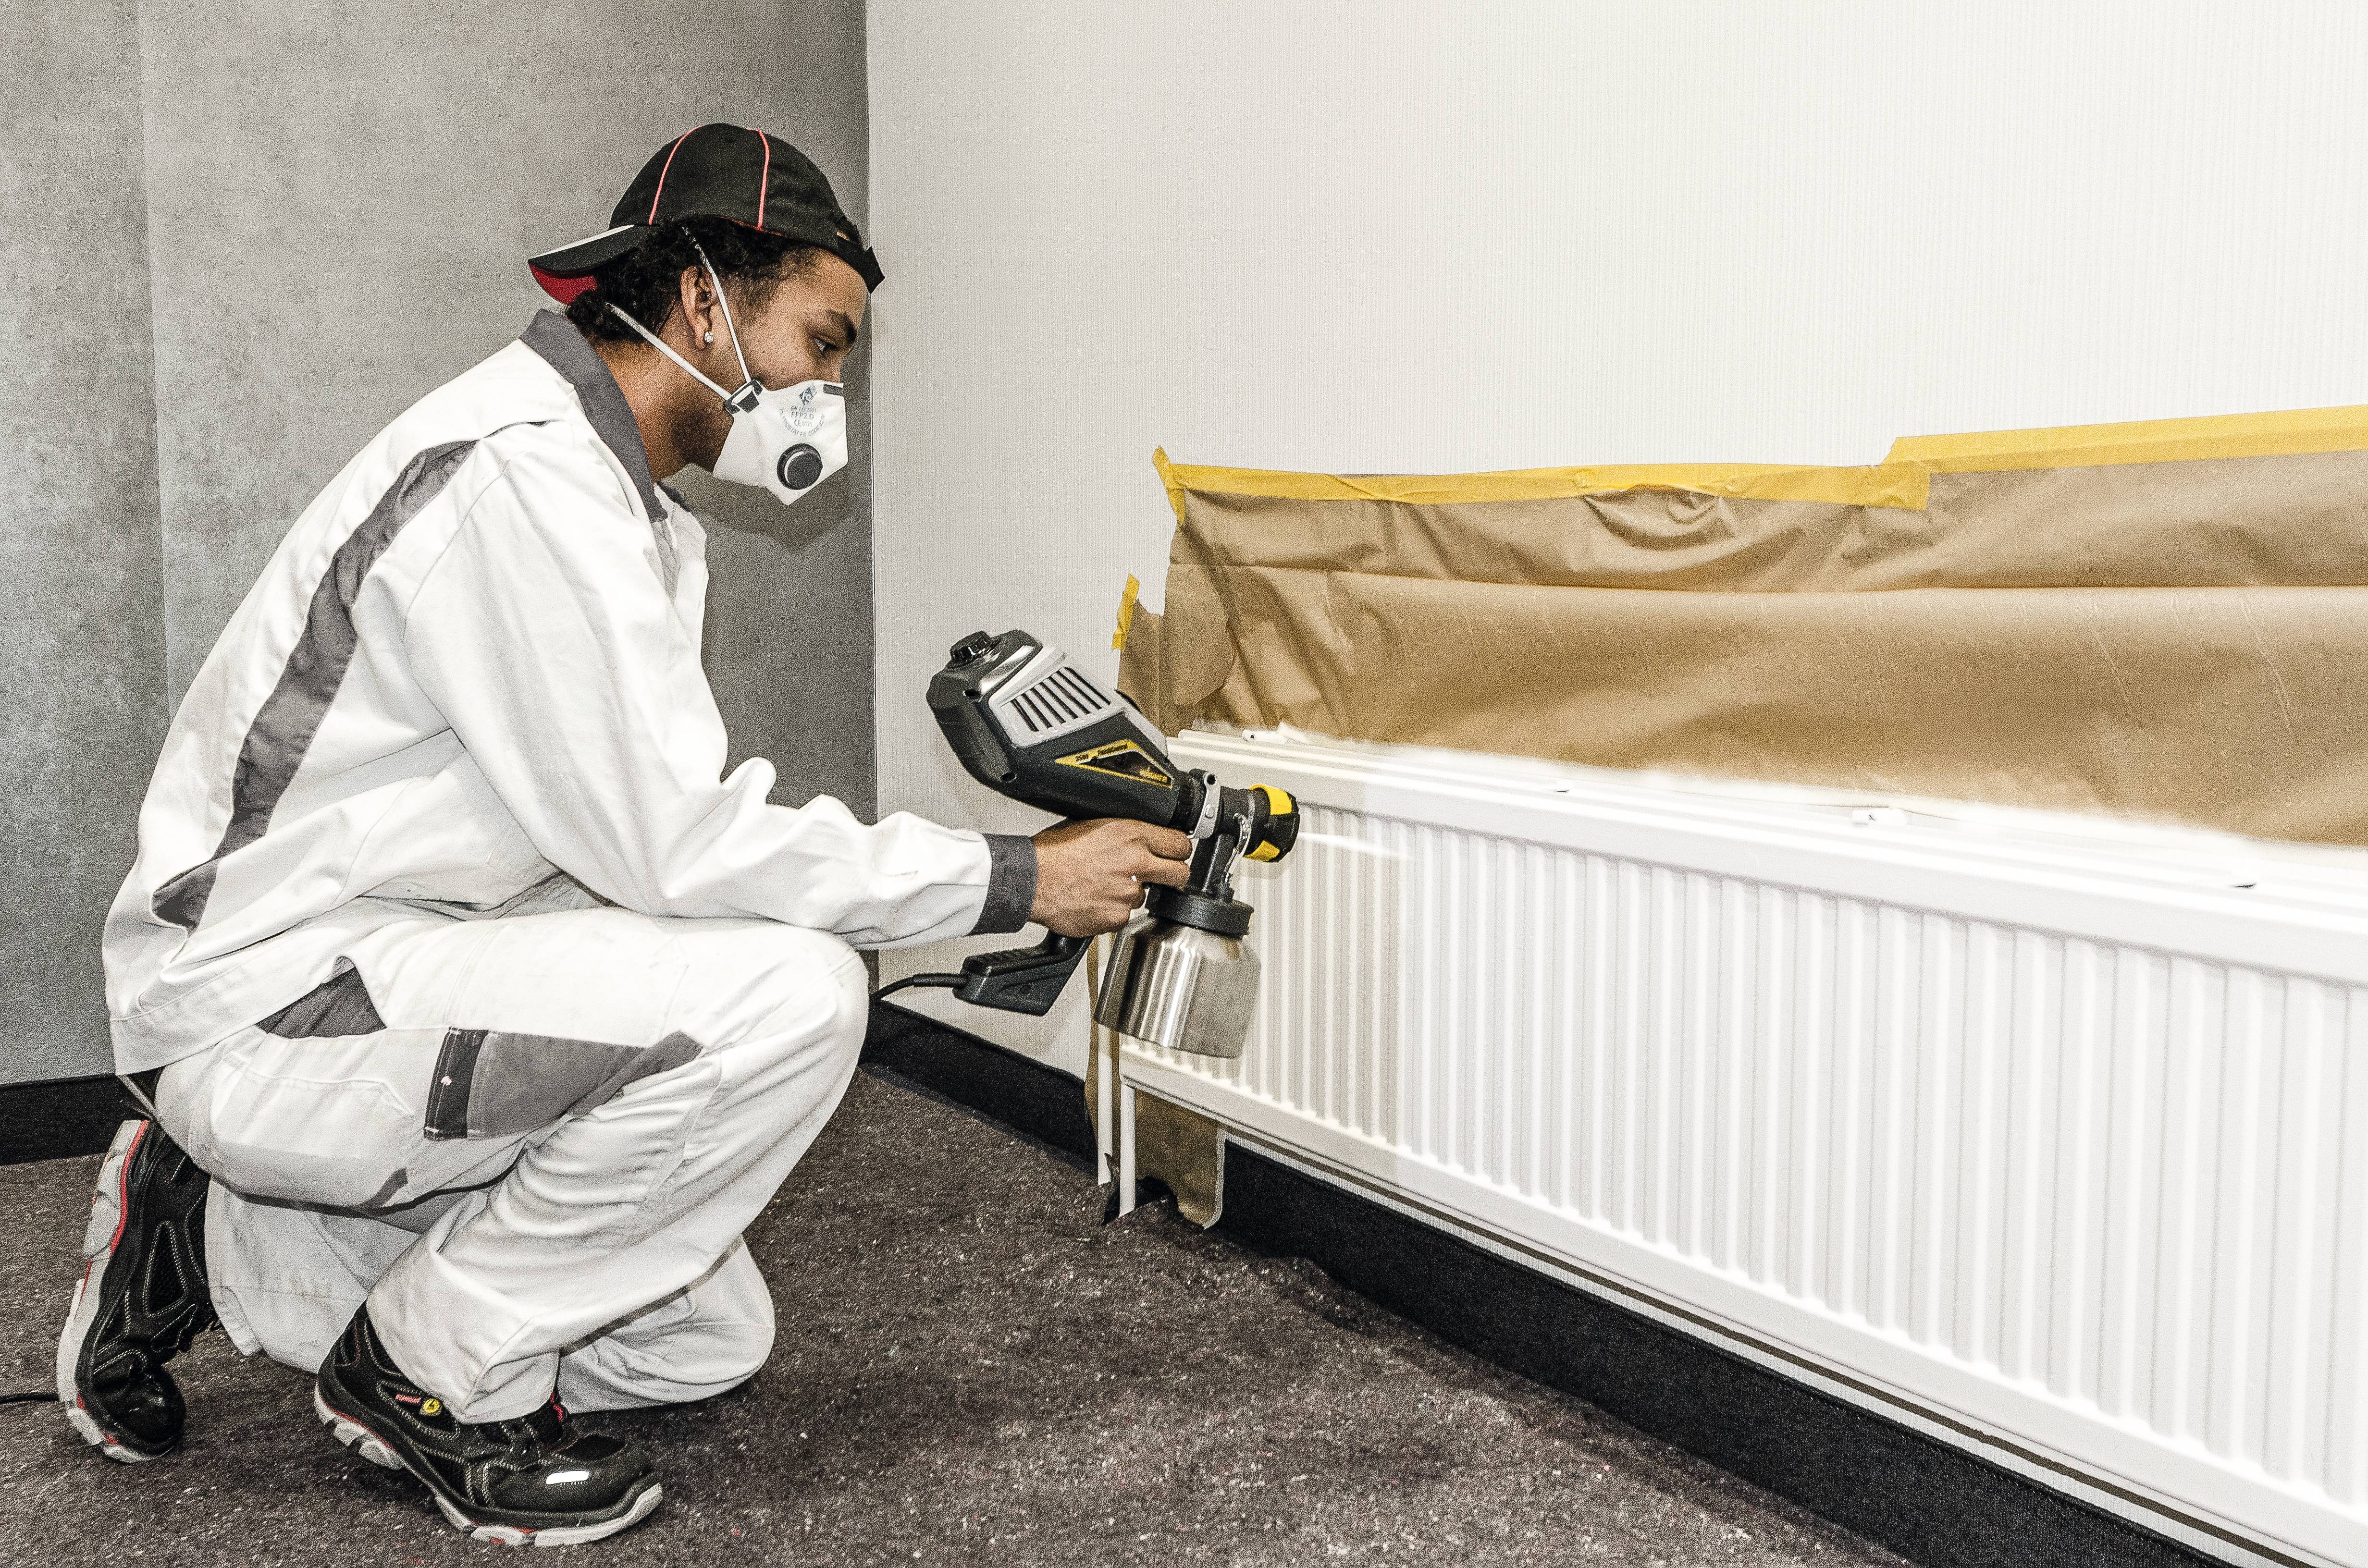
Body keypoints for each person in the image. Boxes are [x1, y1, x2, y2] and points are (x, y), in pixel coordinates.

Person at [57, 122, 1189, 1545]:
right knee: (792, 996)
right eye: (824, 342)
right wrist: (1013, 879)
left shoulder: (631, 512)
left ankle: (209, 1239)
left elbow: (634, 844)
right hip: (271, 994)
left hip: (414, 953)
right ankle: (420, 1378)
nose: (829, 392)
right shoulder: (519, 479)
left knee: (693, 1344)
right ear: (707, 299)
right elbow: (677, 844)